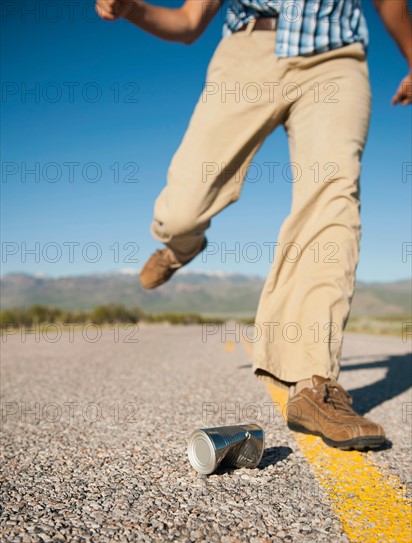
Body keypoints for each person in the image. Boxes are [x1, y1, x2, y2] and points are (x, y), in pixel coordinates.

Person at [96, 0, 412, 450]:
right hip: (249, 53)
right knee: (182, 207)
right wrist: (131, 9)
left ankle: (312, 382)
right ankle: (181, 245)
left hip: (337, 60)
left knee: (332, 196)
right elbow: (188, 23)